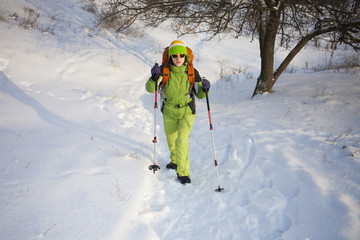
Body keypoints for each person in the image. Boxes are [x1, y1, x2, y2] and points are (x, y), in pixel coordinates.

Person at [145, 40, 210, 184]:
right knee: (171, 139)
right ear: (170, 57)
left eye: (181, 55)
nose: (178, 58)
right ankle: (174, 160)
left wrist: (205, 89)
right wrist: (153, 77)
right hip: (169, 111)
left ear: (186, 56)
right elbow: (150, 89)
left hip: (187, 111)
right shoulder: (164, 71)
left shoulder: (192, 72)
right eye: (175, 56)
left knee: (182, 141)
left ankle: (183, 173)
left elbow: (199, 95)